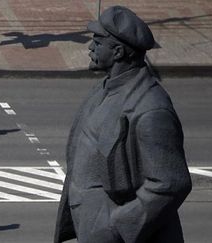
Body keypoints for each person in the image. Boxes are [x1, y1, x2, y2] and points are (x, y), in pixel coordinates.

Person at [54, 6, 192, 243]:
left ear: (117, 52)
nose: (90, 47)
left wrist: (118, 226)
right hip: (89, 227)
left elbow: (170, 184)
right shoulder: (106, 88)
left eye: (98, 42)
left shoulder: (150, 109)